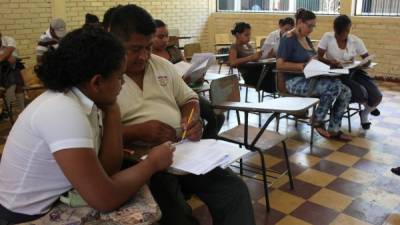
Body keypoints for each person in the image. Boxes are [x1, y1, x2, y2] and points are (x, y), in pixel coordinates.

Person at [0, 27, 174, 224]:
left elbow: (108, 169)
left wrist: (112, 110)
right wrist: (152, 163)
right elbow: (104, 199)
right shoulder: (62, 110)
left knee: (140, 190)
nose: (122, 84)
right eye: (119, 78)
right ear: (97, 82)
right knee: (144, 205)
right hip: (26, 216)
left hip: (57, 199)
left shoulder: (85, 100)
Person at [110, 5, 255, 225]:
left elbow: (189, 98)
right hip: (138, 162)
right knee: (177, 215)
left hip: (182, 153)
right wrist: (136, 131)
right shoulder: (104, 78)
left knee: (234, 191)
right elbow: (95, 137)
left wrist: (191, 119)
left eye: (148, 47)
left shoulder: (161, 65)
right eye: (135, 49)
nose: (144, 56)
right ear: (114, 42)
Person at [277, 8, 352, 141]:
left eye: (313, 26)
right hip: (293, 81)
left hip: (309, 78)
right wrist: (302, 66)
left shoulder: (306, 38)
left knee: (346, 91)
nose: (311, 29)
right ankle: (317, 120)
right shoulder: (288, 38)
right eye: (309, 26)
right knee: (334, 86)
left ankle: (334, 129)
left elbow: (314, 58)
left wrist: (329, 63)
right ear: (300, 22)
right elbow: (280, 65)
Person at [152, 19, 225, 139]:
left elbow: (186, 69)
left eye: (166, 36)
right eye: (160, 37)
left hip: (186, 92)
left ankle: (205, 141)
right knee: (188, 123)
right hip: (168, 96)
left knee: (218, 116)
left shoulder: (173, 50)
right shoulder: (148, 57)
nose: (165, 40)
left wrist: (196, 77)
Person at [317, 15, 382, 129]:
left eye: (345, 32)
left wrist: (365, 63)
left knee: (377, 96)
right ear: (334, 29)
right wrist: (330, 62)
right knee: (360, 94)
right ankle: (367, 108)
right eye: (338, 34)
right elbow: (318, 57)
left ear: (349, 29)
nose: (342, 36)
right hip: (337, 75)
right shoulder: (327, 37)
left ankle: (364, 113)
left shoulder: (355, 41)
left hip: (354, 72)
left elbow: (366, 57)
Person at [229, 22, 276, 93]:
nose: (249, 37)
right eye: (246, 35)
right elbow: (232, 62)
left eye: (249, 34)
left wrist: (268, 56)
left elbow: (255, 59)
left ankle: (280, 90)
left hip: (259, 70)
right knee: (274, 76)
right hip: (250, 76)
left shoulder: (249, 46)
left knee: (275, 69)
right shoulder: (234, 46)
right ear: (238, 35)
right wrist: (251, 57)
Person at [0, 32, 25, 118]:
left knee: (14, 78)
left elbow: (8, 57)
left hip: (10, 69)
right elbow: (7, 57)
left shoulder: (8, 40)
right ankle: (22, 111)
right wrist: (6, 56)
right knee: (15, 78)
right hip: (1, 72)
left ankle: (6, 110)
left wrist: (5, 56)